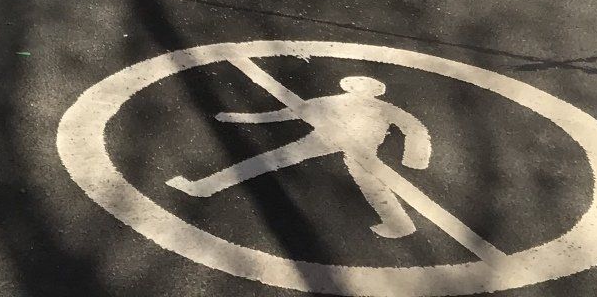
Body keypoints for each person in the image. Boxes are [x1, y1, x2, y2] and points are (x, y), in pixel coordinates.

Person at [169, 72, 433, 239]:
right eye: (354, 83)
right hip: (324, 138)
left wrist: (415, 159)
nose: (358, 86)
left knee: (369, 181)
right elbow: (286, 113)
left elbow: (413, 128)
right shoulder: (330, 101)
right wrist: (238, 117)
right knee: (271, 159)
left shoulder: (386, 109)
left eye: (364, 84)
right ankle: (203, 187)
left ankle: (398, 224)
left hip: (361, 147)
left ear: (376, 90)